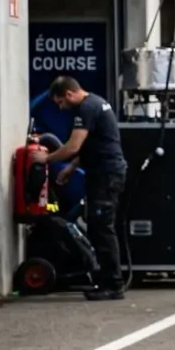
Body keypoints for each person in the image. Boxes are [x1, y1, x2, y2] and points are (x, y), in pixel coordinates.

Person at [38, 76, 129, 301]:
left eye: (60, 102)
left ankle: (113, 284)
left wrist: (45, 159)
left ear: (69, 94)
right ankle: (106, 279)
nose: (60, 108)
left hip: (106, 175)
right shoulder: (97, 103)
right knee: (98, 226)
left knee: (102, 228)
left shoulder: (86, 108)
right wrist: (70, 168)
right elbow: (90, 146)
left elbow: (73, 146)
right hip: (105, 173)